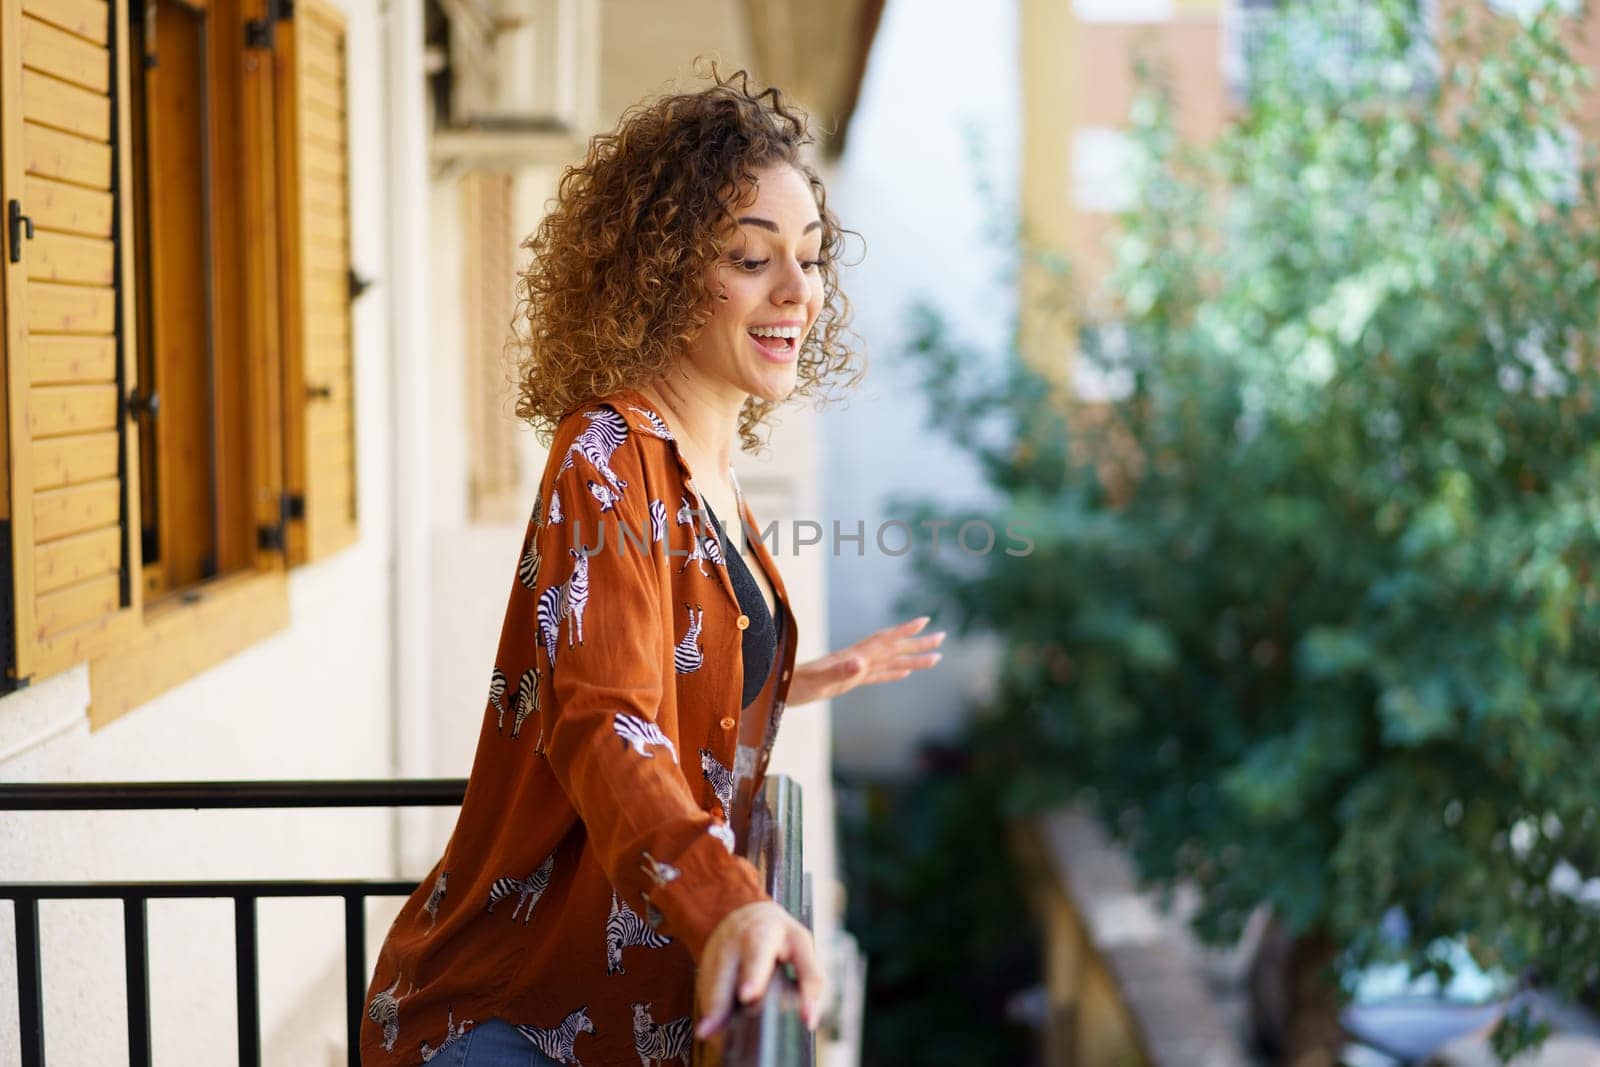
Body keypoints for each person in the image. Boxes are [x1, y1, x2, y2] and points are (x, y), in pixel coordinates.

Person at [358, 68, 945, 1067]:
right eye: (752, 257)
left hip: (619, 1014)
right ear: (664, 269)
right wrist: (732, 907)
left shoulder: (707, 465)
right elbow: (603, 716)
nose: (797, 292)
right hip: (512, 1018)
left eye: (808, 258)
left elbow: (649, 670)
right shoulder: (604, 453)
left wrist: (786, 681)